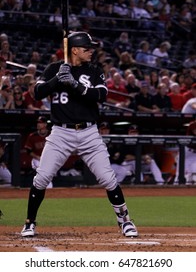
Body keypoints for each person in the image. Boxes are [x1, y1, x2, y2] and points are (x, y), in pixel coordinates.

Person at [21, 31, 138, 238]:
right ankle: (29, 223)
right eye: (87, 48)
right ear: (74, 50)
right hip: (60, 133)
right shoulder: (54, 69)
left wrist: (75, 85)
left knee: (107, 178)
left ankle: (125, 221)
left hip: (89, 133)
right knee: (42, 177)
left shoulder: (94, 70)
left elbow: (101, 95)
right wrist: (57, 79)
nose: (91, 51)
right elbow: (37, 93)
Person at [24, 116, 53, 188]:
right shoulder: (33, 136)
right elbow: (28, 151)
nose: (38, 124)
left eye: (40, 123)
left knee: (45, 174)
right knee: (44, 172)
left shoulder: (51, 135)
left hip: (47, 160)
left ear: (45, 124)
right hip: (37, 159)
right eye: (38, 122)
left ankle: (37, 185)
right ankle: (48, 188)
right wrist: (38, 157)